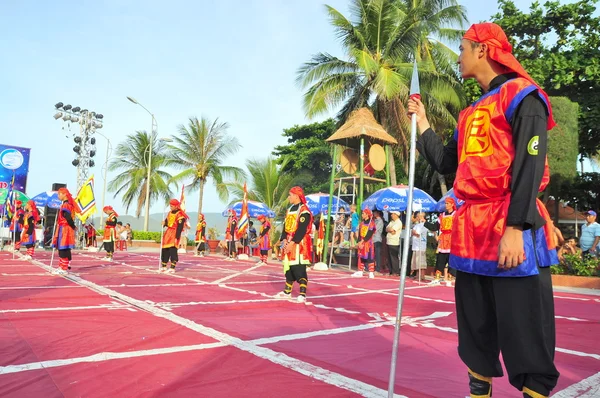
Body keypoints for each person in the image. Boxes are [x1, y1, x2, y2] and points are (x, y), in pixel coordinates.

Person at [408, 22, 560, 398]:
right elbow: (447, 163)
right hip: (471, 226)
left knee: (523, 323)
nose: (457, 57)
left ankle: (535, 389)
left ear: (483, 50)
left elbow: (530, 168)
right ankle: (478, 389)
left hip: (510, 220)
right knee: (475, 322)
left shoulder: (524, 97)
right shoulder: (470, 111)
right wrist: (423, 121)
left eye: (462, 48)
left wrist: (516, 227)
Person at [274, 186, 313, 303]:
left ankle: (302, 294)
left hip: (299, 244)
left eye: (290, 195)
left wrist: (293, 242)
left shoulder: (304, 211)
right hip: (289, 242)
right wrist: (284, 240)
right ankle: (287, 292)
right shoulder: (290, 209)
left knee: (299, 267)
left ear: (296, 196)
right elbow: (285, 227)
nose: (288, 197)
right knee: (288, 267)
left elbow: (302, 229)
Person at [425, 198, 457, 286]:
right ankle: (437, 277)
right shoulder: (442, 215)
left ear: (452, 204)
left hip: (452, 238)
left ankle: (450, 278)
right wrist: (425, 222)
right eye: (445, 203)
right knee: (440, 258)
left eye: (448, 203)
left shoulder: (456, 215)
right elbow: (435, 227)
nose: (446, 205)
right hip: (443, 239)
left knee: (451, 259)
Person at [52, 188, 79, 274]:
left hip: (64, 228)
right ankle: (63, 266)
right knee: (65, 248)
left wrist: (73, 226)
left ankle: (63, 268)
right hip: (66, 228)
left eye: (59, 194)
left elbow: (68, 217)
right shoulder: (67, 204)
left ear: (64, 194)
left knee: (63, 247)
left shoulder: (66, 205)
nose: (58, 196)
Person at [161, 199, 188, 273]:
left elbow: (180, 227)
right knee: (164, 248)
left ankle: (172, 267)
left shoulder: (180, 215)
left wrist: (177, 237)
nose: (170, 207)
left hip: (174, 233)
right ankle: (164, 265)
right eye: (170, 206)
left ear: (176, 206)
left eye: (172, 206)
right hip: (168, 233)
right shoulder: (169, 213)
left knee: (172, 249)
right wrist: (164, 223)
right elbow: (167, 222)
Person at [353, 208, 376, 278]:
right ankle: (360, 271)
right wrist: (359, 242)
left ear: (367, 214)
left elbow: (369, 234)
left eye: (363, 213)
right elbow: (360, 234)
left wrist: (362, 241)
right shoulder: (361, 223)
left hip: (368, 243)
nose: (362, 214)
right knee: (361, 257)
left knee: (370, 257)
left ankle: (371, 272)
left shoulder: (371, 223)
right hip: (362, 242)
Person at [409, 212, 428, 280]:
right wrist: (413, 232)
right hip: (416, 246)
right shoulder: (417, 225)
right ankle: (417, 275)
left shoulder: (425, 225)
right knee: (416, 262)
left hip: (421, 246)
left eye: (418, 217)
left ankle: (422, 275)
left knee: (421, 262)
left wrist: (414, 232)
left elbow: (417, 234)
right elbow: (412, 232)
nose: (417, 218)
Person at [385, 211, 402, 276]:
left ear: (396, 215)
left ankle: (396, 271)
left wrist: (390, 230)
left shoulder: (398, 222)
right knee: (389, 257)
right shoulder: (392, 222)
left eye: (392, 214)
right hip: (389, 240)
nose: (391, 215)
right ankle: (391, 271)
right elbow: (386, 229)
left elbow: (392, 230)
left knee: (394, 257)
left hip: (394, 241)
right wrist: (390, 230)